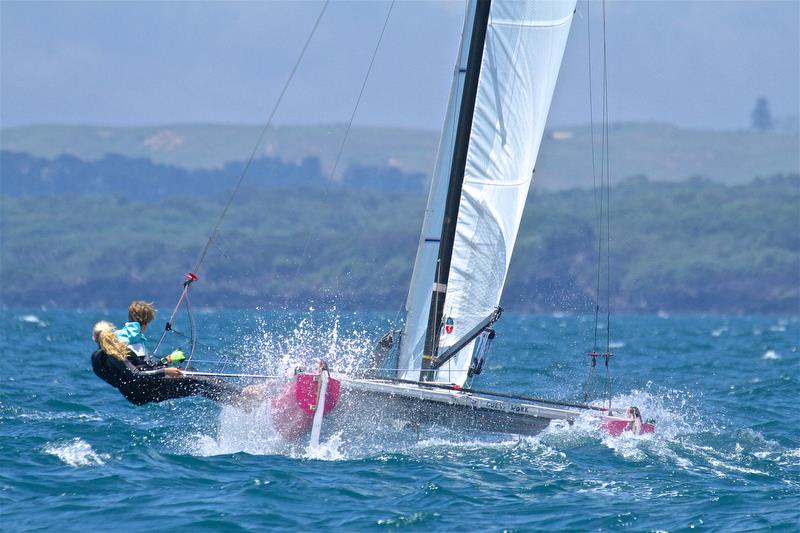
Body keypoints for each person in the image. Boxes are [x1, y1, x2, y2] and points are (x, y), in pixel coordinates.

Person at [91, 321, 254, 406]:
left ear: (95, 339)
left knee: (191, 375)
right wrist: (165, 371)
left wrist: (166, 361)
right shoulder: (113, 356)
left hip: (140, 392)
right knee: (194, 379)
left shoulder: (109, 355)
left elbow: (143, 367)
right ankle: (243, 396)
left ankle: (237, 400)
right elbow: (136, 374)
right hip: (145, 389)